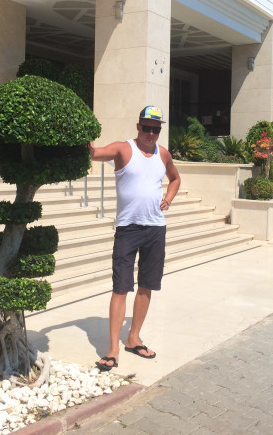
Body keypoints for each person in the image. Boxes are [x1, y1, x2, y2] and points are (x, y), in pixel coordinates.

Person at [89, 106, 181, 372]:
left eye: (156, 129)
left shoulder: (163, 154)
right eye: (147, 127)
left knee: (146, 285)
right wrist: (85, 131)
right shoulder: (123, 149)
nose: (151, 133)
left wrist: (168, 199)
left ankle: (133, 339)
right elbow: (94, 153)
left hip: (155, 228)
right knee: (121, 287)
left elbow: (175, 179)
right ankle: (113, 349)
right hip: (128, 229)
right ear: (138, 126)